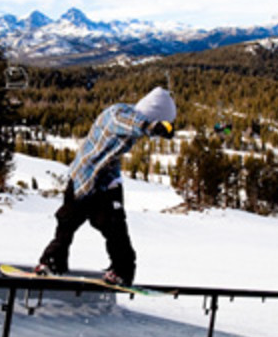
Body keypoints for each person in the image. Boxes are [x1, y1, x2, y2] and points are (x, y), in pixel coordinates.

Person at [36, 87, 176, 286]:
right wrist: (151, 126)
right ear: (154, 113)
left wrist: (156, 128)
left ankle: (122, 271)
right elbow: (124, 123)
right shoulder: (119, 114)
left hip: (105, 179)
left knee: (115, 226)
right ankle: (51, 263)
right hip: (83, 178)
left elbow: (116, 148)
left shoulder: (135, 120)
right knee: (67, 222)